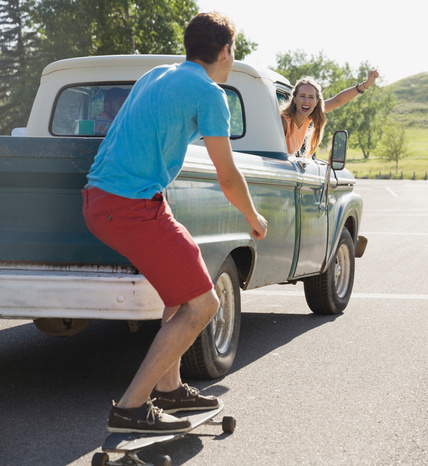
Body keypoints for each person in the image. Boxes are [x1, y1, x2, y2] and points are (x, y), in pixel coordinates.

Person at [82, 12, 268, 434]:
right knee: (205, 304)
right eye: (232, 52)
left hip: (106, 198)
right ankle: (131, 408)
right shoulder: (209, 92)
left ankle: (170, 388)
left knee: (183, 287)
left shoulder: (156, 74)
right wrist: (251, 215)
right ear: (224, 51)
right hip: (129, 205)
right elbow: (227, 173)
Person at [280, 69, 379, 157]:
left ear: (316, 102)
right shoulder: (284, 122)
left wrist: (365, 85)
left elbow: (338, 100)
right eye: (302, 96)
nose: (306, 101)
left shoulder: (308, 117)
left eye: (311, 97)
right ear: (295, 99)